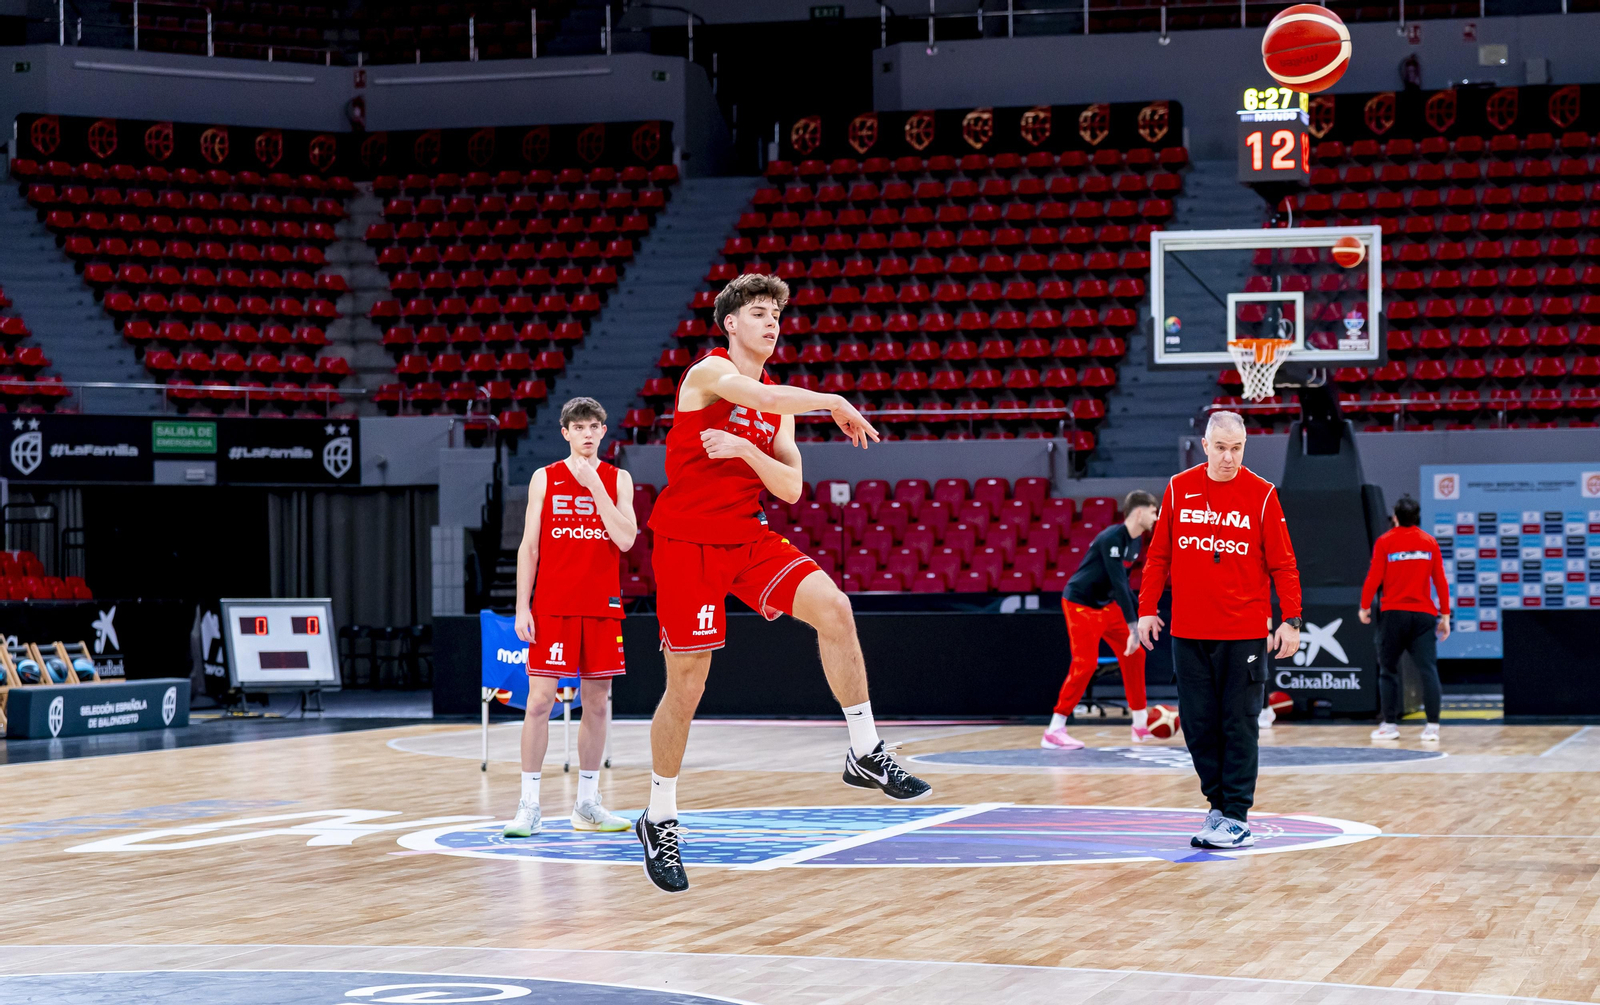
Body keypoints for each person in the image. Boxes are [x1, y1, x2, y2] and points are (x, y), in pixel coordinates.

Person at [637, 273, 931, 894]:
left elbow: (790, 487)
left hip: (746, 537)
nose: (771, 322)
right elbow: (761, 401)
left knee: (835, 606)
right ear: (731, 324)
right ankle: (659, 816)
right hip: (687, 542)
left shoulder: (773, 399)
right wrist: (833, 401)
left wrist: (746, 454)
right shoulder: (709, 374)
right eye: (760, 312)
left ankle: (864, 749)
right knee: (687, 684)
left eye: (776, 313)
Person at [1134, 410, 1303, 851]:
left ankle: (1236, 815)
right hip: (1188, 632)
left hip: (1244, 633)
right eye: (1222, 448)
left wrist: (1291, 618)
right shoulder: (1178, 488)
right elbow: (1158, 558)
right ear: (1205, 446)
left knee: (1239, 725)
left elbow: (1284, 564)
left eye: (1237, 448)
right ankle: (1216, 804)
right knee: (1197, 725)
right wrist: (1147, 609)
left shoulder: (1263, 494)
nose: (1229, 457)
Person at [505, 397, 637, 838]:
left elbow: (626, 541)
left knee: (597, 704)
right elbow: (530, 547)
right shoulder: (545, 478)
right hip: (553, 606)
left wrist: (595, 486)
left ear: (603, 431)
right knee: (539, 702)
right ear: (565, 432)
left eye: (593, 426)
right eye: (577, 426)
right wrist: (523, 605)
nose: (585, 433)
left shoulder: (619, 479)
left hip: (601, 606)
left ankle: (587, 803)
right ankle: (528, 805)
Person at [1042, 489, 1161, 749]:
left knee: (1135, 654)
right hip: (1080, 604)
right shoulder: (1111, 538)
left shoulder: (1136, 541)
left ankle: (1140, 725)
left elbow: (1124, 586)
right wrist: (1133, 627)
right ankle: (1054, 729)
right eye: (1154, 512)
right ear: (1139, 512)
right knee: (1085, 664)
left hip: (1106, 606)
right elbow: (1118, 583)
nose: (1157, 517)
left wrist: (1143, 612)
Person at [1359, 494, 1450, 743]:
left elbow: (1373, 578)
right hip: (1423, 616)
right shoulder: (1429, 542)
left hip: (1394, 615)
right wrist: (1445, 615)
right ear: (1417, 518)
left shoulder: (1385, 542)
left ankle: (1389, 726)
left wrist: (1364, 606)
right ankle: (1432, 727)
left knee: (1388, 671)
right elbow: (1440, 580)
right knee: (1428, 670)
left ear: (1395, 517)